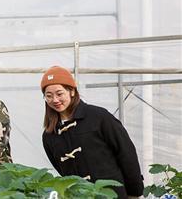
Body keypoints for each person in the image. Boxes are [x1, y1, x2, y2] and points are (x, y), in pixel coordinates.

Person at [40, 66, 144, 198]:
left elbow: (126, 153)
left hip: (112, 195)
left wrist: (135, 192)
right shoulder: (49, 135)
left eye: (59, 94)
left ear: (71, 91)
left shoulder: (99, 117)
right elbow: (62, 171)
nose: (55, 100)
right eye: (48, 96)